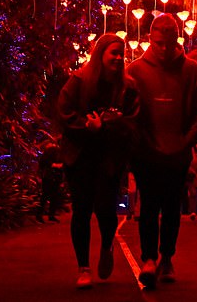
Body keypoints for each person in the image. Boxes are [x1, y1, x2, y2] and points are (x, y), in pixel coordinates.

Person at [127, 13, 197, 288]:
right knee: (149, 205)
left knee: (172, 208)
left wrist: (186, 141)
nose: (164, 49)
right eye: (159, 43)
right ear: (151, 39)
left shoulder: (191, 71)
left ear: (178, 40)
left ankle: (167, 257)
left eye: (170, 43)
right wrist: (140, 141)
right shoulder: (136, 71)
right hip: (147, 153)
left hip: (178, 153)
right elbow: (126, 112)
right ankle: (149, 258)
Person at [57, 34, 139, 289]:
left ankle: (106, 245)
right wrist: (86, 127)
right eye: (113, 52)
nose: (117, 58)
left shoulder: (128, 87)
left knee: (105, 209)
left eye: (121, 54)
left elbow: (131, 121)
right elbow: (64, 112)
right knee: (81, 210)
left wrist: (104, 125)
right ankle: (83, 267)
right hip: (80, 157)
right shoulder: (79, 81)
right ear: (100, 54)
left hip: (109, 158)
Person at [36, 141, 64, 223]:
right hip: (50, 176)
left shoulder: (55, 151)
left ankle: (49, 215)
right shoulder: (50, 152)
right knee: (47, 196)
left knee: (52, 196)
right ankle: (42, 215)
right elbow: (43, 163)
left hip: (53, 176)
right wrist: (54, 165)